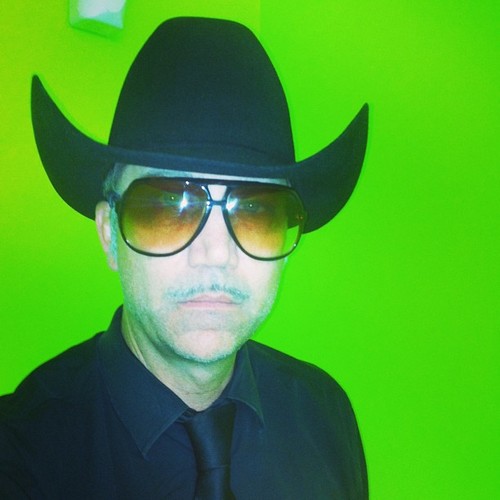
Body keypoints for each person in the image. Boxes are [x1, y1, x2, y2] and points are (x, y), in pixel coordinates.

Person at [0, 17, 369, 499]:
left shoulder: (325, 417)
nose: (216, 253)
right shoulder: (21, 455)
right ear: (109, 234)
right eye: (167, 207)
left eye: (255, 212)